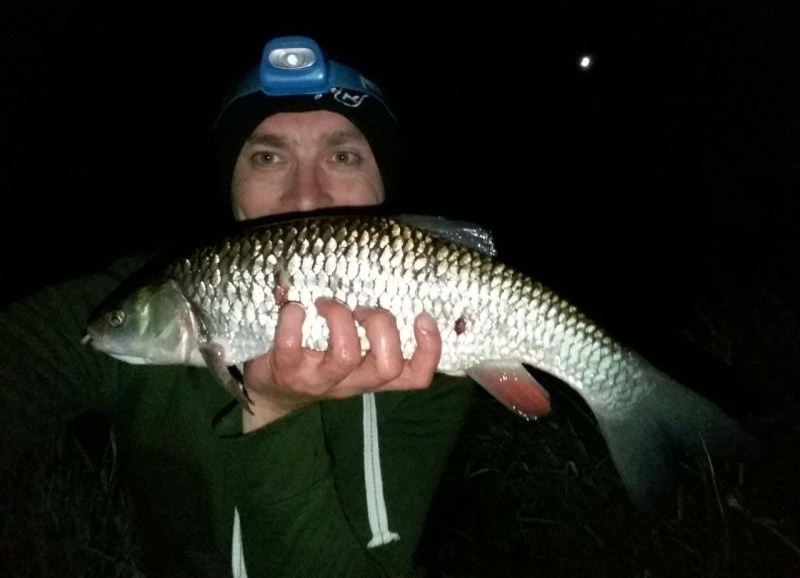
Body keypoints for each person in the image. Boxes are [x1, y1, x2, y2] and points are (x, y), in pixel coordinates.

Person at [0, 36, 475, 577]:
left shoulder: (438, 333)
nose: (305, 197)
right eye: (268, 157)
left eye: (342, 156)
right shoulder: (137, 297)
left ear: (384, 184)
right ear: (231, 183)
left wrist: (275, 418)